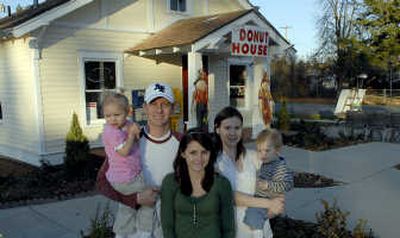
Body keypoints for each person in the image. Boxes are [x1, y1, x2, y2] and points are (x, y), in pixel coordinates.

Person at [97, 82, 181, 238]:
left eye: (165, 104)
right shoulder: (129, 139)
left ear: (174, 107)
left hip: (170, 228)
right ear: (145, 107)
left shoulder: (183, 143)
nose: (159, 110)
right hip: (135, 232)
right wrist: (134, 199)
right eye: (153, 104)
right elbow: (102, 183)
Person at [213, 106, 284, 238]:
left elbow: (279, 183)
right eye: (227, 128)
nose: (233, 133)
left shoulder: (253, 156)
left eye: (237, 128)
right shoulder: (213, 162)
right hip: (231, 230)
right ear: (218, 129)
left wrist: (270, 211)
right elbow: (227, 196)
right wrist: (267, 203)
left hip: (258, 230)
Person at [161, 129, 235, 238]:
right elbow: (167, 227)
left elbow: (228, 229)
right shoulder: (171, 182)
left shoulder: (222, 184)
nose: (199, 158)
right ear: (183, 153)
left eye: (204, 152)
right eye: (193, 152)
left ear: (210, 154)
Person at [101, 92, 145, 237]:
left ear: (127, 112)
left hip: (128, 175)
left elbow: (134, 131)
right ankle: (142, 229)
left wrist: (135, 130)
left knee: (127, 207)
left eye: (117, 115)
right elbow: (124, 152)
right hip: (124, 178)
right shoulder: (110, 132)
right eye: (108, 116)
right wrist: (132, 135)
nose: (112, 119)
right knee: (152, 191)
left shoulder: (126, 124)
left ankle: (122, 232)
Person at [243, 128, 293, 234]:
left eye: (267, 150)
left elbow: (288, 184)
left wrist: (268, 185)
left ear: (277, 150)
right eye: (259, 150)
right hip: (262, 199)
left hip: (269, 201)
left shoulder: (279, 166)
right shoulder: (267, 162)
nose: (263, 154)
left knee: (253, 217)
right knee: (250, 217)